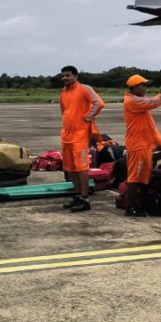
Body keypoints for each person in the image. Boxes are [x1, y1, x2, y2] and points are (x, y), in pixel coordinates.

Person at [122, 74, 161, 216]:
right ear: (134, 87)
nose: (145, 88)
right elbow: (154, 102)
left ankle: (140, 204)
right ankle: (130, 207)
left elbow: (151, 127)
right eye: (142, 85)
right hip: (137, 146)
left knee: (143, 176)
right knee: (135, 178)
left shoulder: (138, 104)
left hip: (143, 145)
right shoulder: (132, 101)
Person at [58, 66, 102, 212]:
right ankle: (77, 195)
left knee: (81, 168)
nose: (65, 78)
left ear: (75, 76)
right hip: (67, 136)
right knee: (70, 168)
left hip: (80, 136)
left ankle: (85, 198)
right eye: (63, 76)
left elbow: (99, 103)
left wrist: (89, 117)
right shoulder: (63, 93)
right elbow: (64, 112)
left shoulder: (84, 89)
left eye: (68, 75)